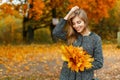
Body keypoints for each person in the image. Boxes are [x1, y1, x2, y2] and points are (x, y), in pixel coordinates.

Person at [52, 6, 104, 80]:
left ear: (85, 21)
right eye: (74, 23)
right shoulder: (71, 36)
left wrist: (82, 63)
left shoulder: (95, 39)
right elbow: (56, 32)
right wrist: (69, 13)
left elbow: (99, 63)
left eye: (79, 22)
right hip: (67, 76)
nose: (76, 26)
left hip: (85, 77)